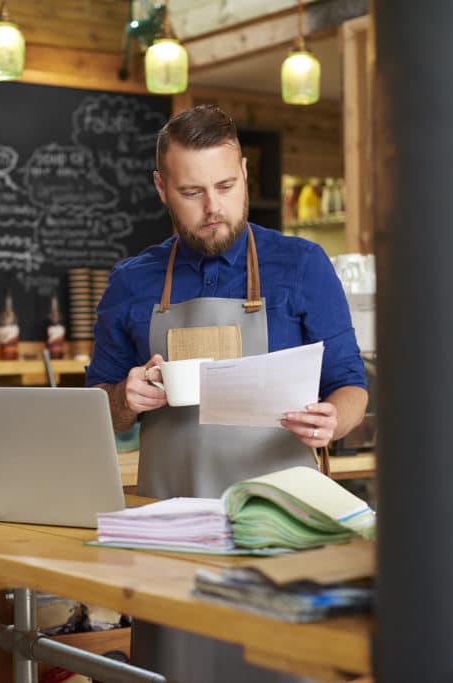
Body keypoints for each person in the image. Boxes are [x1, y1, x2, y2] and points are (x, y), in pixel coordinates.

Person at [85, 105, 368, 682]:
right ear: (162, 187)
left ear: (243, 171)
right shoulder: (132, 282)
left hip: (280, 530)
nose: (213, 207)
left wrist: (331, 422)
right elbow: (96, 415)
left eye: (226, 186)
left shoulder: (302, 265)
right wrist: (124, 399)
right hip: (170, 538)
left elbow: (350, 386)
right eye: (192, 191)